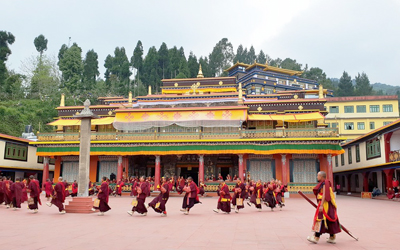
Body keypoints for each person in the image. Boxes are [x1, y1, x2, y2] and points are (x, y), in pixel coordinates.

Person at [307, 171, 341, 244]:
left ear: (321, 177)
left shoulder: (325, 183)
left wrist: (321, 205)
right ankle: (332, 237)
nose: (317, 177)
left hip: (325, 205)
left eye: (318, 176)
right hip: (327, 205)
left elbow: (324, 195)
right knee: (329, 220)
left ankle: (316, 237)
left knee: (320, 219)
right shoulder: (324, 183)